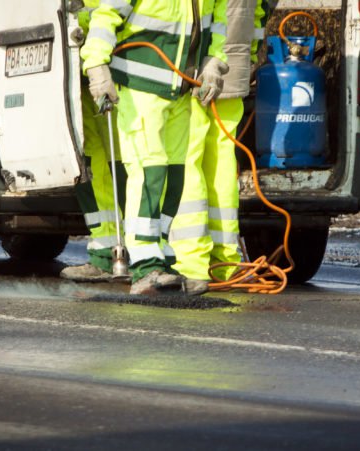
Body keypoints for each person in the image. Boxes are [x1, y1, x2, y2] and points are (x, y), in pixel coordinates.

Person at [81, 0, 229, 295]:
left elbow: (219, 23)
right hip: (139, 85)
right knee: (149, 172)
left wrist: (215, 60)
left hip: (181, 89)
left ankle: (161, 257)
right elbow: (107, 12)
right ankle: (145, 263)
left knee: (173, 175)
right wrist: (96, 63)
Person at [169, 0, 268, 295]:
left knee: (189, 160)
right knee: (223, 166)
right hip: (233, 72)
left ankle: (192, 264)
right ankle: (226, 261)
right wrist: (248, 60)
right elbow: (257, 16)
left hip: (200, 72)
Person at [60, 1, 127, 281]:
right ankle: (103, 252)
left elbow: (113, 11)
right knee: (90, 162)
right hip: (82, 69)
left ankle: (135, 251)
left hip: (113, 67)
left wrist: (77, 21)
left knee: (121, 162)